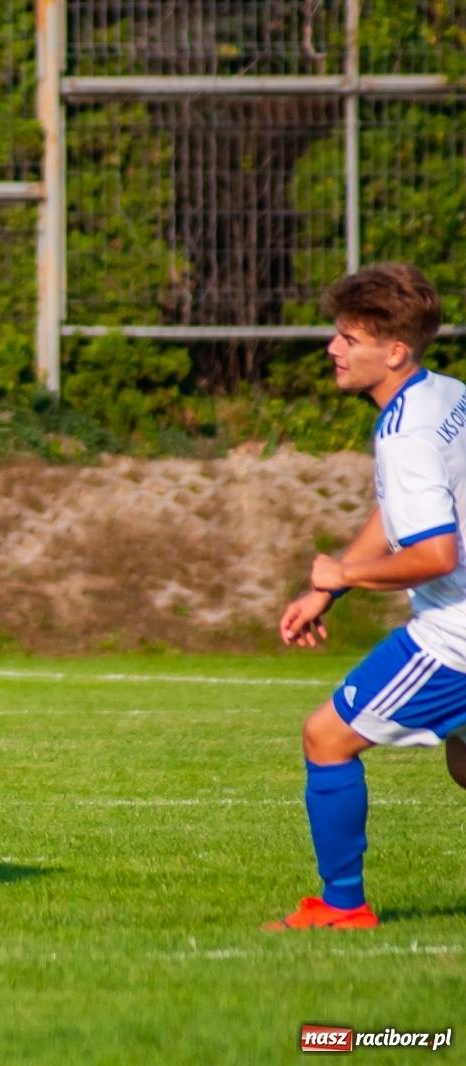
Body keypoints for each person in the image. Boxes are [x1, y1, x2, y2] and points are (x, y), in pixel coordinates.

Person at [274, 262, 459, 930]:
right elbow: (400, 512)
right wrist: (326, 590)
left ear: (395, 351)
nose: (333, 348)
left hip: (455, 637)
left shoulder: (404, 433)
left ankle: (342, 904)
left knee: (326, 736)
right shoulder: (443, 394)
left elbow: (436, 555)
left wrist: (345, 576)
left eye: (349, 339)